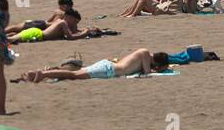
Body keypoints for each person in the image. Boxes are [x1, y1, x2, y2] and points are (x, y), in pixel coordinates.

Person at [23, 49, 171, 82]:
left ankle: (41, 72)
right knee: (74, 75)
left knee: (76, 73)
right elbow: (146, 72)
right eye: (159, 66)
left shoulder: (144, 55)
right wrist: (159, 70)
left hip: (108, 66)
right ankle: (43, 74)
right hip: (109, 69)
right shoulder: (145, 53)